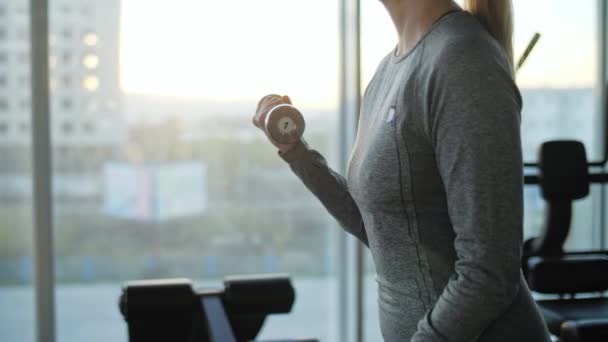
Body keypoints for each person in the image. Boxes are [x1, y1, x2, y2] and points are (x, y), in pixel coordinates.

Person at [253, 0, 552, 341]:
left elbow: (489, 272)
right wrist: (298, 153)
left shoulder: (465, 58)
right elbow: (379, 228)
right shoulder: (388, 71)